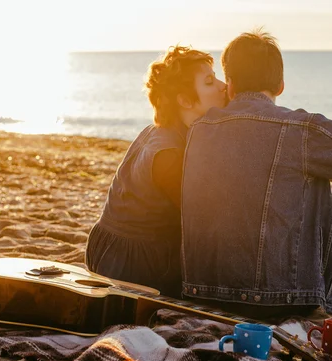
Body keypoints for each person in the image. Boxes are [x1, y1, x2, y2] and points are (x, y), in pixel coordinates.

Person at [180, 30, 332, 317]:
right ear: (280, 85)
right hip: (289, 297)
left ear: (230, 86)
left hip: (204, 294)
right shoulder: (301, 129)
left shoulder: (198, 130)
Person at [85, 46, 226, 297]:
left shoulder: (161, 129)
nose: (222, 86)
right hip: (131, 263)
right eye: (209, 81)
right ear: (184, 100)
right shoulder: (168, 155)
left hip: (109, 247)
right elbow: (199, 220)